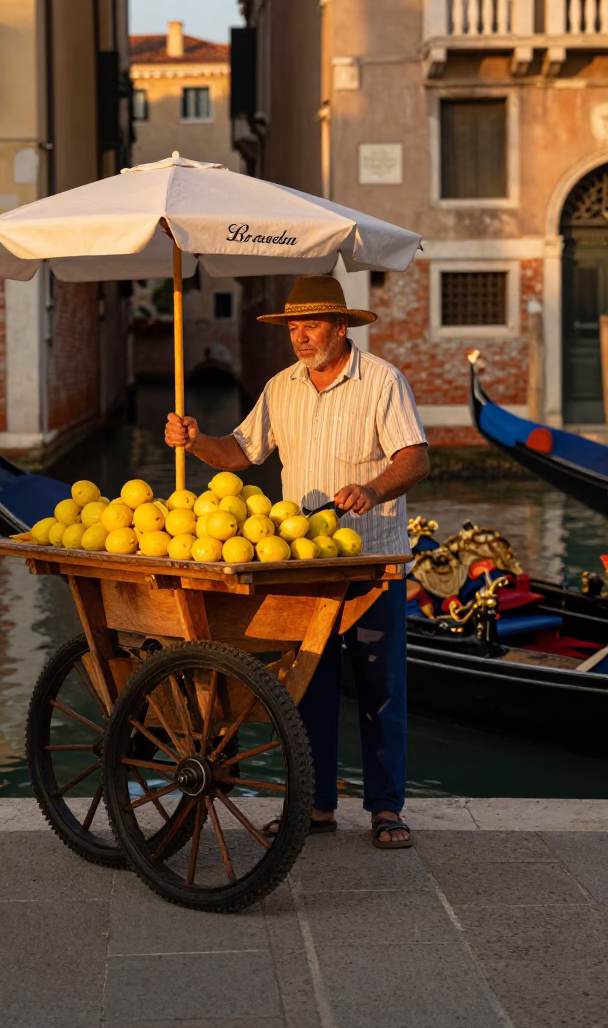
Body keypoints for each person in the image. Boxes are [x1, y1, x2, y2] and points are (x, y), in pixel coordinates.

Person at [164, 274, 429, 847]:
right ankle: (316, 807)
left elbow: (415, 457)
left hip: (373, 564)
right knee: (307, 689)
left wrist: (375, 490)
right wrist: (196, 440)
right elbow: (240, 453)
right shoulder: (281, 386)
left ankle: (387, 809)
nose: (299, 336)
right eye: (292, 326)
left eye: (310, 325)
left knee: (381, 689)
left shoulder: (383, 381)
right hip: (302, 568)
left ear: (340, 327)